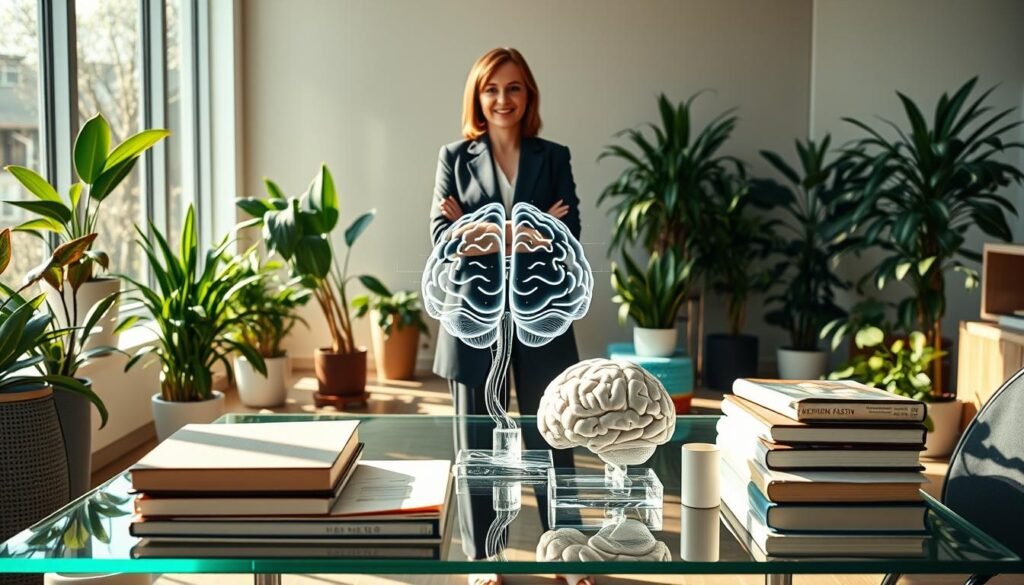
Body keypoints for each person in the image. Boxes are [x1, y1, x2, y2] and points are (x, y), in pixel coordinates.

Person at [429, 47, 592, 585]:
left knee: (554, 436)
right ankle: (483, 562)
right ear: (478, 95)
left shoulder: (554, 155)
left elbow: (570, 235)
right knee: (475, 445)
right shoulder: (454, 157)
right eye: (492, 88)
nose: (503, 98)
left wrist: (479, 229)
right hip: (473, 319)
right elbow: (442, 241)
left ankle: (566, 554)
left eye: (514, 87)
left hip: (540, 318)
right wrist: (528, 229)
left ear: (529, 95)